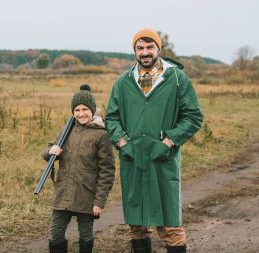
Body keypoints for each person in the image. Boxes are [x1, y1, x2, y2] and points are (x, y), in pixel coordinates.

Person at [105, 28, 203, 253]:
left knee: (170, 225)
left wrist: (169, 142)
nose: (145, 52)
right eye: (140, 48)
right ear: (135, 51)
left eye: (150, 47)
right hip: (134, 158)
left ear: (158, 49)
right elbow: (112, 117)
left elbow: (193, 116)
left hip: (163, 159)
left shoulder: (176, 78)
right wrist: (122, 144)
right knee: (137, 224)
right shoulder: (123, 81)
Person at [42, 84, 116, 253]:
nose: (81, 113)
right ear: (72, 111)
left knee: (85, 235)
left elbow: (107, 171)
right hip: (63, 193)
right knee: (56, 234)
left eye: (85, 109)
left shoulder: (101, 134)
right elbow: (48, 152)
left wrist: (99, 201)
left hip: (86, 195)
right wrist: (49, 151)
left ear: (92, 110)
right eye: (77, 110)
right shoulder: (66, 130)